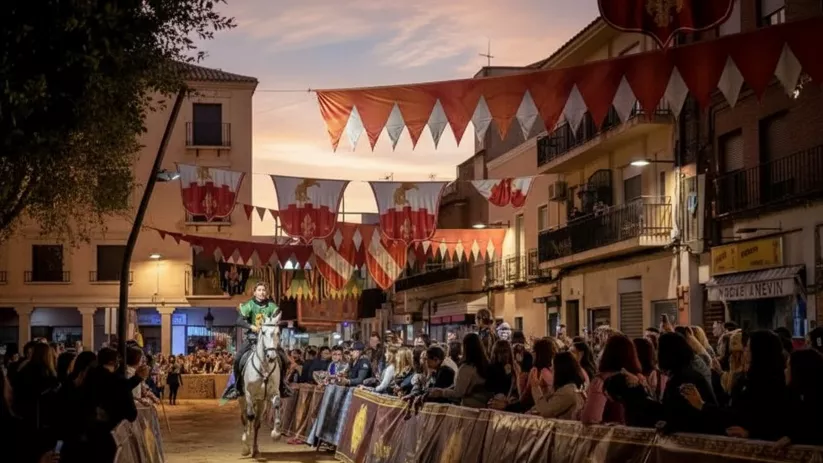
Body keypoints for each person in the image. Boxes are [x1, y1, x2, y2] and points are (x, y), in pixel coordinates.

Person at [222, 282, 291, 401]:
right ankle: (236, 388)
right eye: (259, 290)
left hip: (268, 340)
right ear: (254, 292)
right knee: (238, 358)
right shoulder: (249, 305)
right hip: (252, 339)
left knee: (284, 359)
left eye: (264, 290)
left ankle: (282, 385)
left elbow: (276, 321)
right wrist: (251, 327)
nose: (262, 292)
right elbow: (239, 321)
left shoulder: (272, 306)